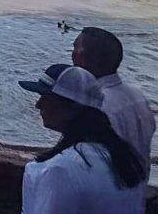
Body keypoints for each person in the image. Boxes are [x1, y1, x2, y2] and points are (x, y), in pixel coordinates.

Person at [18, 63, 146, 213]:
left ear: (72, 107)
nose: (38, 105)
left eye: (46, 97)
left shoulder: (60, 170)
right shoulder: (126, 160)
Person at [72, 27, 156, 172]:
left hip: (109, 185)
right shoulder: (138, 96)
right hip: (136, 184)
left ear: (87, 58)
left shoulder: (96, 104)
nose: (72, 54)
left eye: (75, 48)